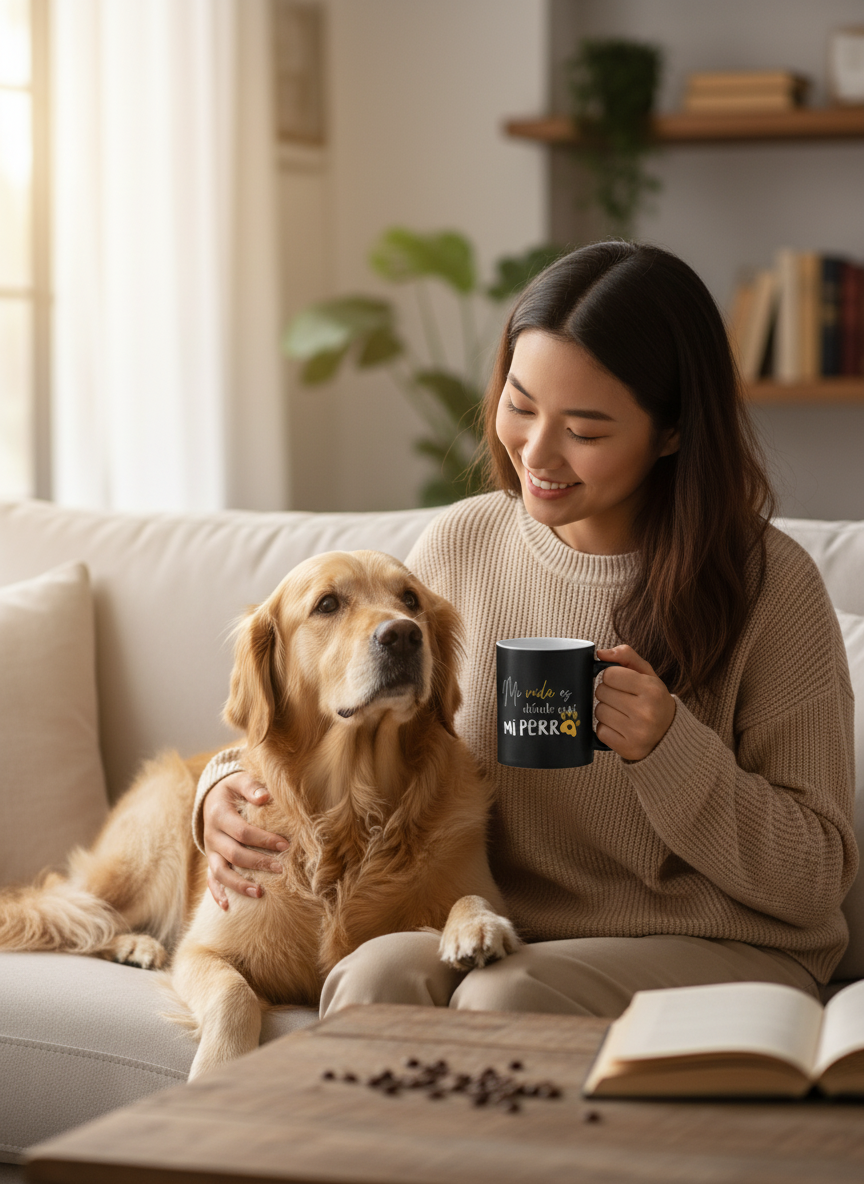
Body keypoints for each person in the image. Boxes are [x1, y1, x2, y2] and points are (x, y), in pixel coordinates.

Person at [193, 241, 857, 1018]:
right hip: (498, 927)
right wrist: (219, 787)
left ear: (672, 432)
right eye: (520, 404)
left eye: (585, 430)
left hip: (723, 943)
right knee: (377, 974)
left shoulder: (771, 586)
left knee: (504, 997)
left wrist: (670, 748)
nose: (537, 453)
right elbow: (358, 717)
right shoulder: (460, 546)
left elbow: (817, 875)